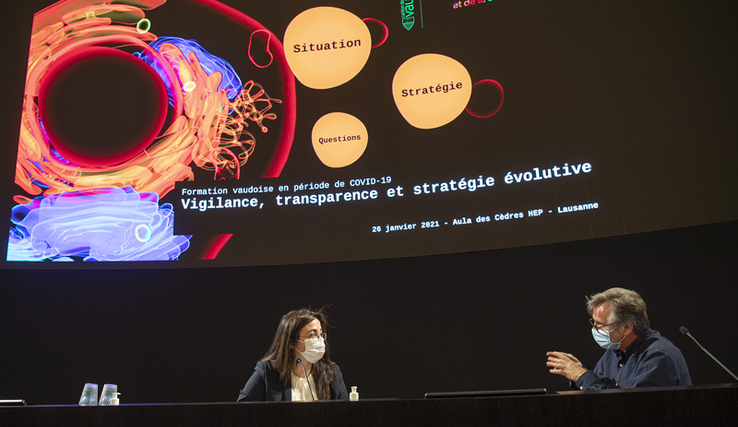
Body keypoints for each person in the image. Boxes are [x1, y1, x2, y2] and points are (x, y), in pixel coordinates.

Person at [547, 287, 691, 390]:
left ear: (627, 328)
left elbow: (628, 409)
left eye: (601, 324)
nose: (594, 329)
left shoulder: (658, 356)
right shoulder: (615, 350)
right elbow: (599, 389)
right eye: (593, 322)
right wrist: (577, 372)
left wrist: (582, 376)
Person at [237, 308, 349, 401]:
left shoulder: (332, 373)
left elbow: (345, 416)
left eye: (321, 334)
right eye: (312, 335)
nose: (320, 340)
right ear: (291, 342)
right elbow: (242, 413)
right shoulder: (267, 372)